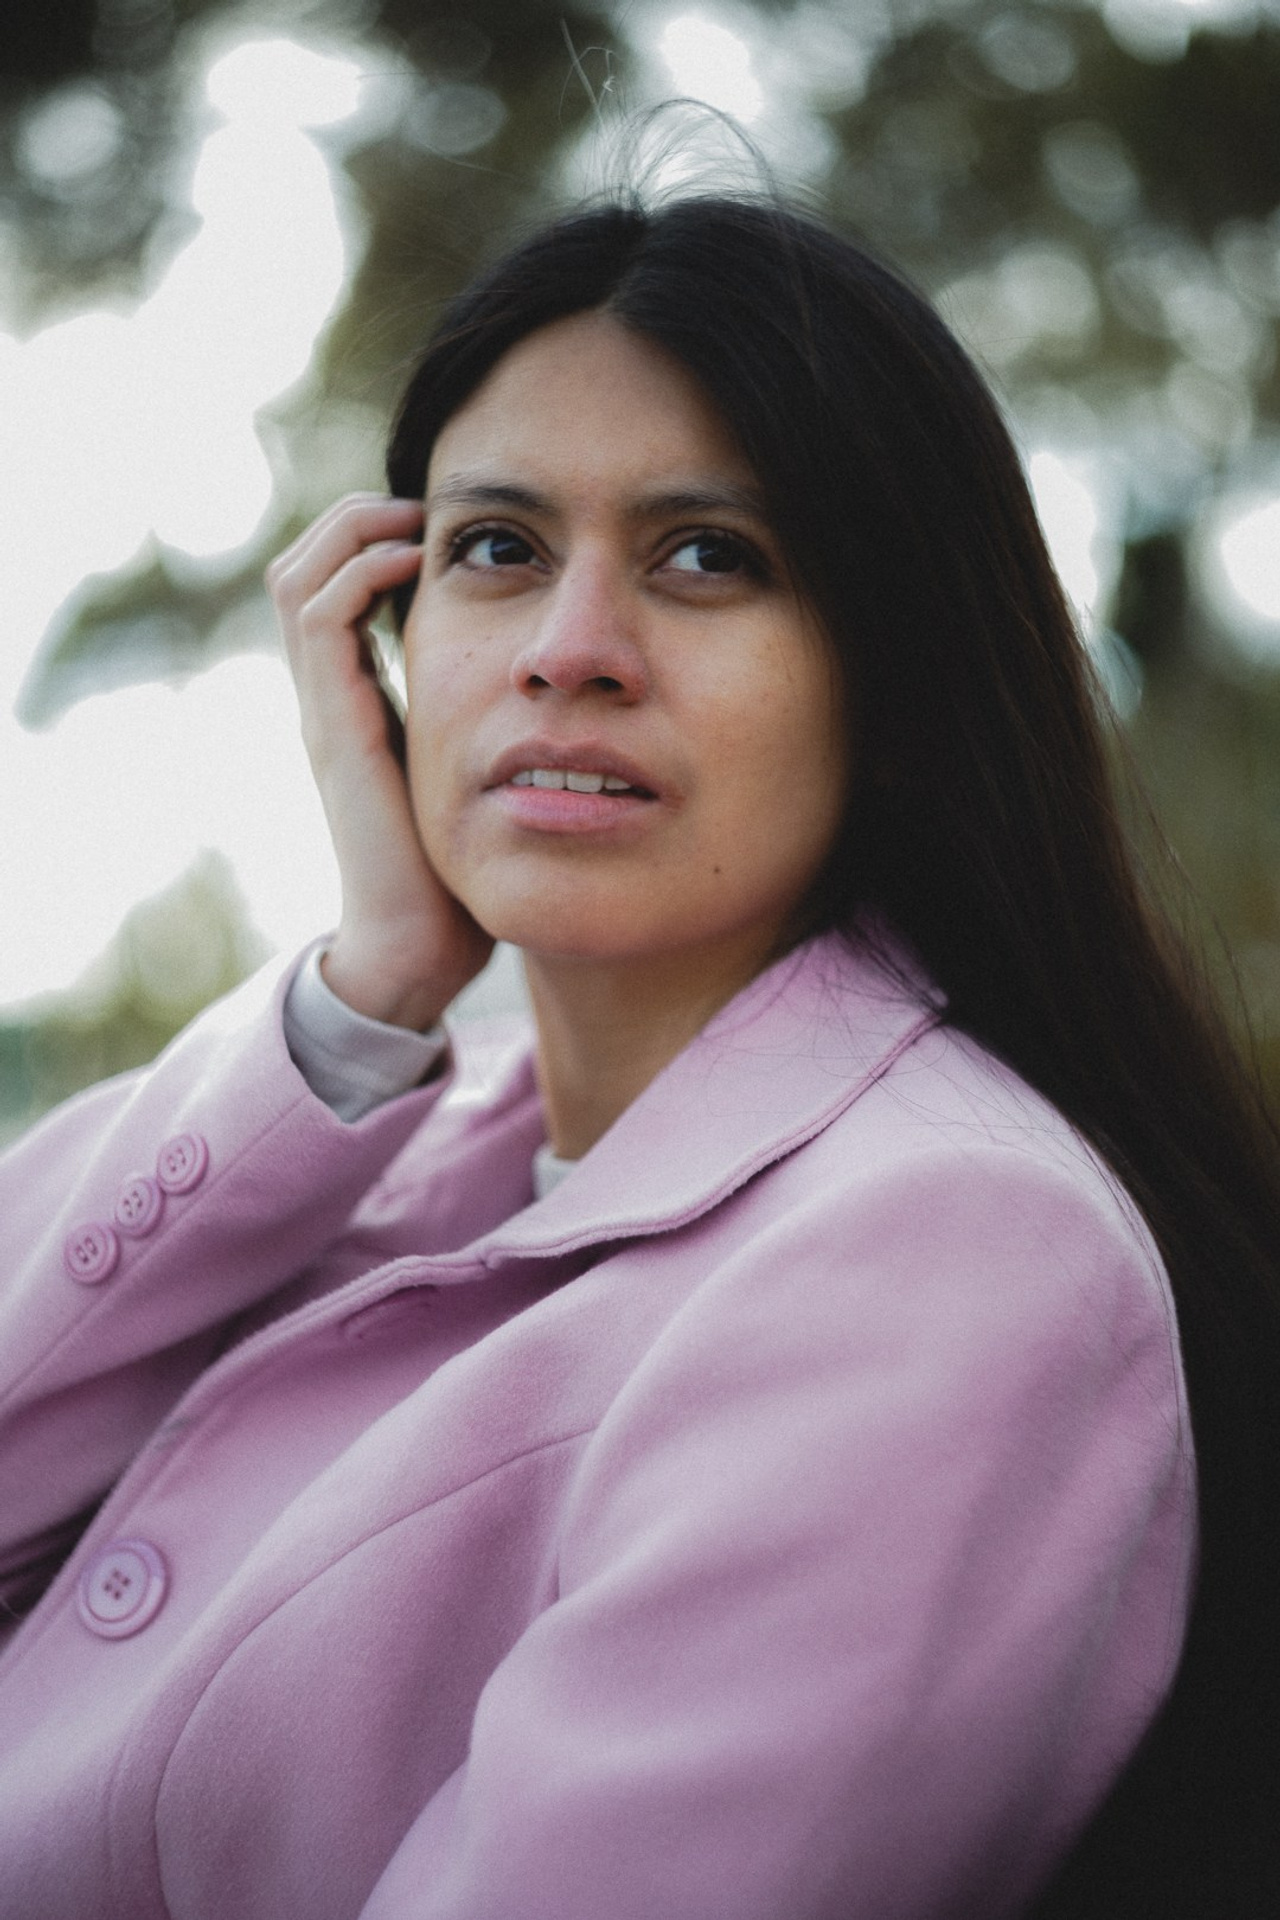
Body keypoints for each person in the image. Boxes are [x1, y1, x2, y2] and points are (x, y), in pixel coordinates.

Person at [0, 194, 1277, 1920]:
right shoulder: (372, 1146)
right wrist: (371, 985)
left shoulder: (954, 1253)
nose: (569, 650)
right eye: (496, 548)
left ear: (901, 681)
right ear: (381, 641)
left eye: (708, 557)